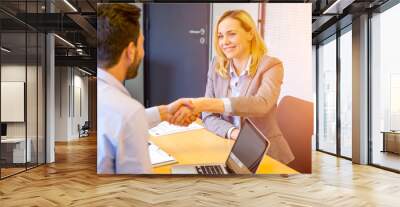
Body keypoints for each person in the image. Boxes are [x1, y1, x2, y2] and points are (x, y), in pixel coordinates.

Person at [172, 10, 294, 164]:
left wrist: (204, 104)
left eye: (231, 34)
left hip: (265, 153)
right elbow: (208, 117)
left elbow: (261, 104)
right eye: (220, 36)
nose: (224, 42)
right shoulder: (216, 65)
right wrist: (233, 133)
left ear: (250, 34)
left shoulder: (271, 66)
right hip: (229, 146)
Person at [97, 4, 196, 174]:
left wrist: (165, 112)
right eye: (142, 45)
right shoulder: (128, 112)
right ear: (130, 51)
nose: (143, 53)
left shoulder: (101, 94)